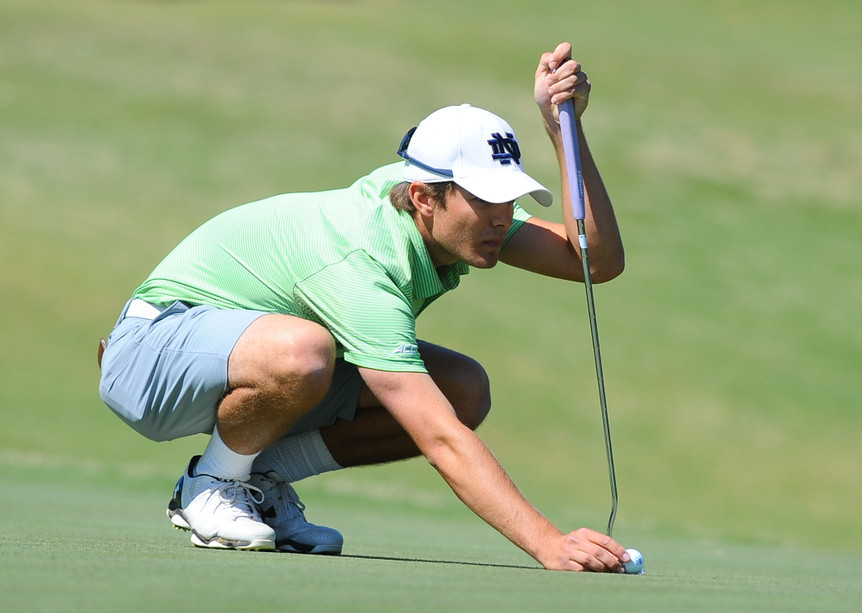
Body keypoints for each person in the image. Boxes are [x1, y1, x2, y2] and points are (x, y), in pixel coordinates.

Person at [98, 42, 628, 572]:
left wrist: (563, 129)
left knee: (462, 388)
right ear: (424, 197)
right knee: (306, 351)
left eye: (509, 199)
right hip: (149, 353)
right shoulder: (363, 259)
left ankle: (256, 478)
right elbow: (438, 435)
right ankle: (212, 484)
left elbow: (594, 262)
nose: (501, 216)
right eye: (485, 199)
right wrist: (548, 543)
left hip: (230, 354)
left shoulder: (435, 212)